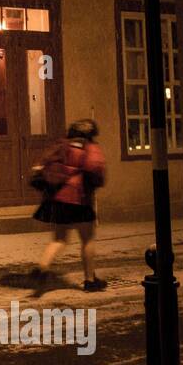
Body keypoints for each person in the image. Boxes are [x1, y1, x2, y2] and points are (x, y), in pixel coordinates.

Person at [31, 118, 107, 291]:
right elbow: (95, 170)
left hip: (58, 199)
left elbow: (43, 164)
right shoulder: (90, 148)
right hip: (79, 199)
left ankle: (41, 267)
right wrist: (94, 184)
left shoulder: (62, 146)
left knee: (59, 239)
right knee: (87, 239)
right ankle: (90, 280)